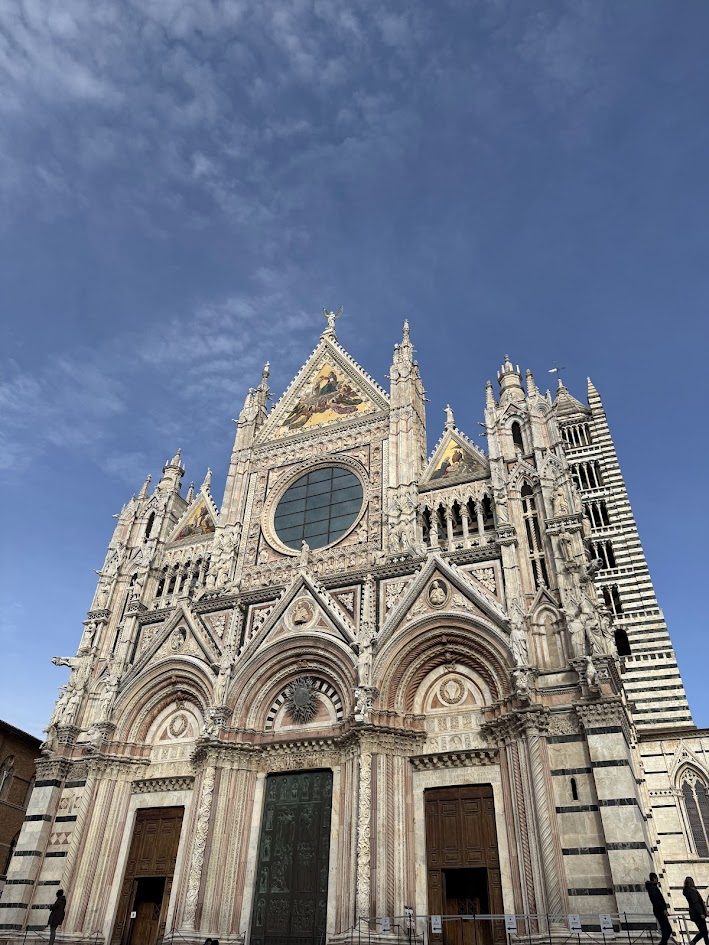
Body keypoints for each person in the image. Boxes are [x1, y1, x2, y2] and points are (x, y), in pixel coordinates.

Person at [646, 873, 676, 945]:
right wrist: (663, 909)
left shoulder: (653, 887)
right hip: (659, 911)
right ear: (653, 878)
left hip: (659, 911)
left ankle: (663, 943)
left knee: (667, 930)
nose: (657, 880)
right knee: (667, 930)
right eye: (656, 878)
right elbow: (657, 900)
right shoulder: (652, 888)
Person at [683, 877, 709, 945]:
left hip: (694, 914)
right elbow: (696, 903)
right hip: (697, 914)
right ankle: (693, 942)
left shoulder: (688, 891)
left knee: (703, 931)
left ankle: (693, 942)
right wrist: (701, 913)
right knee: (704, 932)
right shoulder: (692, 891)